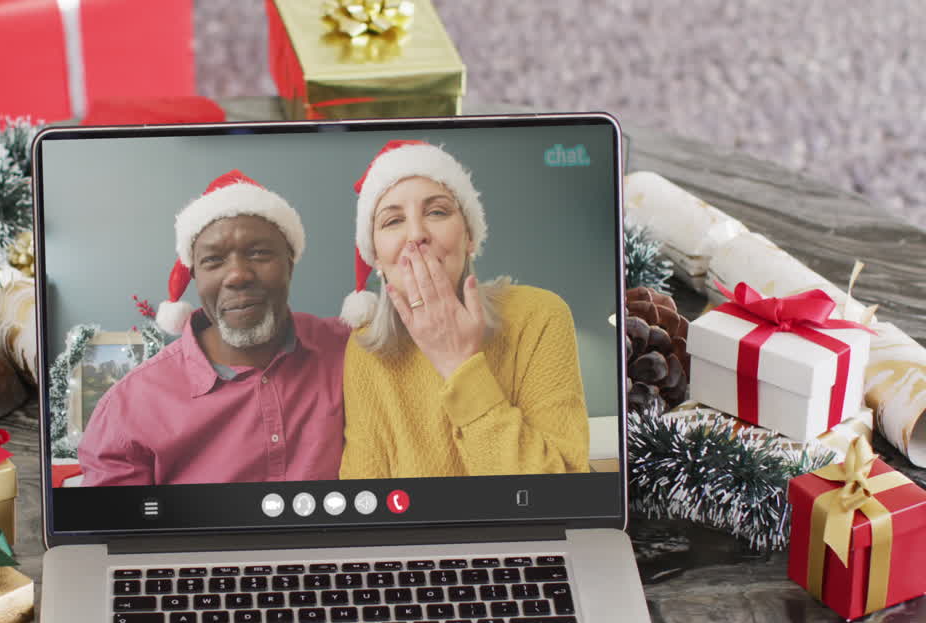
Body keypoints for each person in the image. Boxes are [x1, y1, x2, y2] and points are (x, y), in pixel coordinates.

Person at [78, 169, 349, 486]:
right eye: (214, 260)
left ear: (290, 262)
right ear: (195, 277)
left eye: (259, 253)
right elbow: (118, 532)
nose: (237, 276)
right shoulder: (129, 407)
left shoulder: (350, 349)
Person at [338, 139, 590, 479]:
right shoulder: (366, 348)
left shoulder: (541, 316)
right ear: (377, 258)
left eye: (437, 212)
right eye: (392, 221)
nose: (416, 234)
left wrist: (457, 363)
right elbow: (366, 503)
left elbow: (562, 495)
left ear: (470, 237)